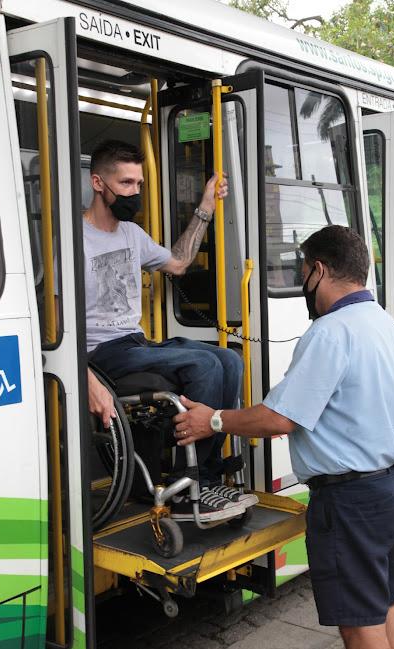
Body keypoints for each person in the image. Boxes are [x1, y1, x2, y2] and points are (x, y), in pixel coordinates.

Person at [173, 225, 394, 649]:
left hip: (352, 500)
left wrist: (212, 421)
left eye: (302, 274)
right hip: (392, 488)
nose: (303, 285)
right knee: (391, 605)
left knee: (360, 628)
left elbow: (280, 419)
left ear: (318, 270)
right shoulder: (387, 326)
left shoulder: (331, 332)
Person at [84, 139, 246, 522]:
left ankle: (202, 474)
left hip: (134, 342)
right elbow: (54, 321)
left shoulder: (131, 234)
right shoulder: (72, 239)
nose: (134, 193)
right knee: (204, 367)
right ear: (97, 183)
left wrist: (206, 206)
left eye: (138, 184)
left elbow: (178, 263)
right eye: (126, 184)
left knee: (229, 360)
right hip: (102, 353)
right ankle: (192, 483)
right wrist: (87, 378)